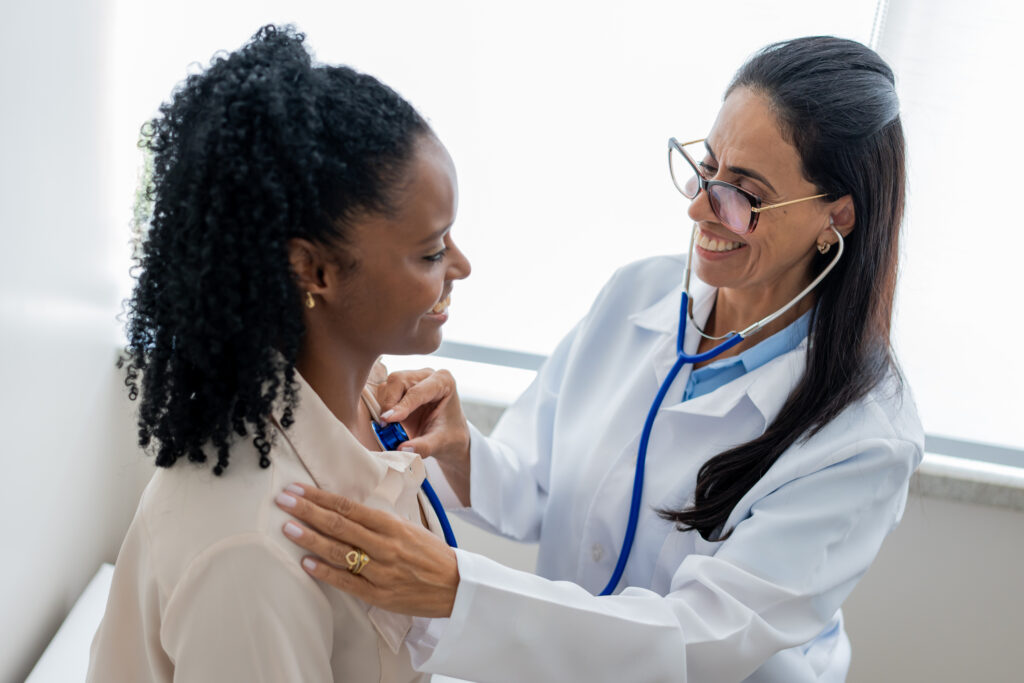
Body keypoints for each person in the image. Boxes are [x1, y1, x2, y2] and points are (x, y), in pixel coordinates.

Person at [276, 36, 923, 682]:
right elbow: (538, 487)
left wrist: (452, 589)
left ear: (834, 217)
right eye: (706, 169)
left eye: (743, 195)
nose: (699, 207)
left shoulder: (866, 436)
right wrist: (458, 448)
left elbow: (701, 640)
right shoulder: (638, 295)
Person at [87, 25, 470, 683]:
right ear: (314, 271)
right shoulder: (254, 549)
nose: (461, 265)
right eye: (432, 251)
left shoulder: (368, 401)